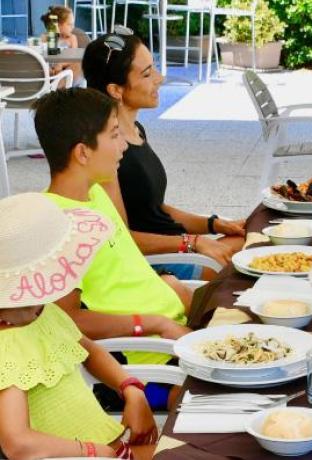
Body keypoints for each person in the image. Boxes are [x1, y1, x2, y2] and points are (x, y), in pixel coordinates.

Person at [33, 88, 191, 409]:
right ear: (82, 153)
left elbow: (121, 267)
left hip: (174, 333)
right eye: (115, 135)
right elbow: (66, 320)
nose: (123, 146)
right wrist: (153, 323)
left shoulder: (95, 193)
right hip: (148, 364)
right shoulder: (57, 223)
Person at [0, 193, 157, 460]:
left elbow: (90, 351)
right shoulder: (8, 347)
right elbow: (17, 443)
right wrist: (91, 451)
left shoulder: (43, 311)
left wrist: (130, 387)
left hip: (111, 445)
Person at [81, 28, 245, 280]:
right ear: (116, 89)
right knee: (257, 253)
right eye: (147, 74)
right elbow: (121, 239)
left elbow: (154, 209)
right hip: (157, 261)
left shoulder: (136, 131)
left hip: (177, 246)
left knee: (254, 235)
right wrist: (194, 242)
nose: (159, 78)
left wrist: (213, 224)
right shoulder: (107, 150)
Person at [39, 6, 83, 83]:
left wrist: (61, 64)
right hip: (48, 73)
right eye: (70, 24)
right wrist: (47, 68)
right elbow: (42, 56)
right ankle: (53, 87)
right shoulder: (46, 37)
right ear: (58, 25)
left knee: (78, 64)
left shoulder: (72, 38)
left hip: (65, 73)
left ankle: (58, 87)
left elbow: (73, 58)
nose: (73, 27)